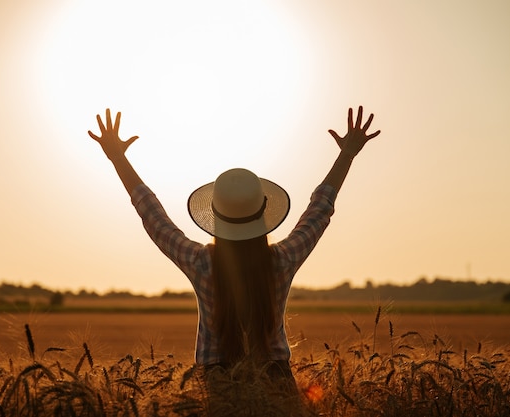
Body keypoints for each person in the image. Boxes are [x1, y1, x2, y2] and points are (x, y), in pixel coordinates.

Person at [87, 106, 381, 392]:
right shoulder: (283, 260)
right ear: (265, 211)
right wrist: (347, 154)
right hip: (277, 381)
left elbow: (153, 217)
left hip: (219, 385)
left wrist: (118, 159)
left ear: (215, 218)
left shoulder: (200, 262)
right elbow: (319, 210)